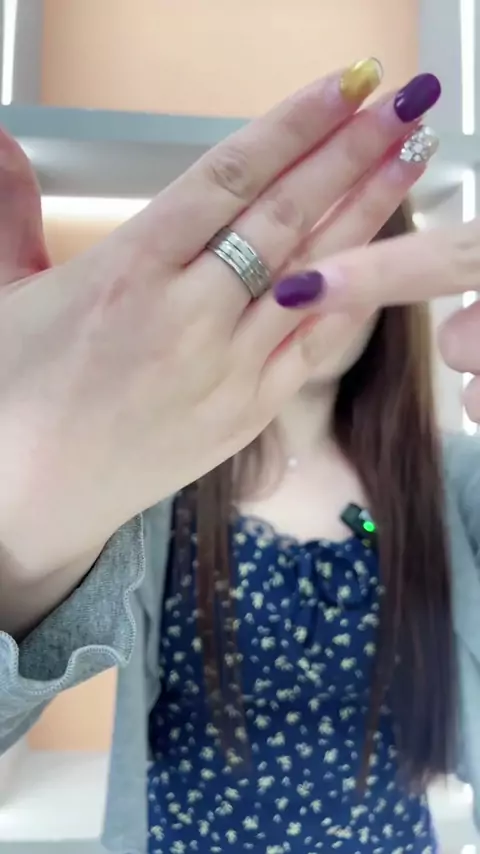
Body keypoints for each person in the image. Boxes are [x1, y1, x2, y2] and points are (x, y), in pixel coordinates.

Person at [1, 59, 480, 854]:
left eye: (352, 249)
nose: (318, 284)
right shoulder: (155, 493)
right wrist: (16, 542)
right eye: (290, 252)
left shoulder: (451, 482)